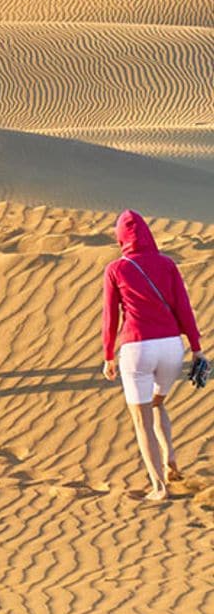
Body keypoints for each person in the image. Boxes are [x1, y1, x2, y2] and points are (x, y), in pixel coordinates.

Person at [102, 209, 204, 501]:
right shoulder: (167, 264)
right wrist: (196, 347)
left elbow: (110, 317)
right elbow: (184, 307)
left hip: (137, 348)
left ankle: (159, 486)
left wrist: (108, 355)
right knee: (158, 403)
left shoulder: (115, 269)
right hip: (172, 346)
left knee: (141, 419)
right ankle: (170, 459)